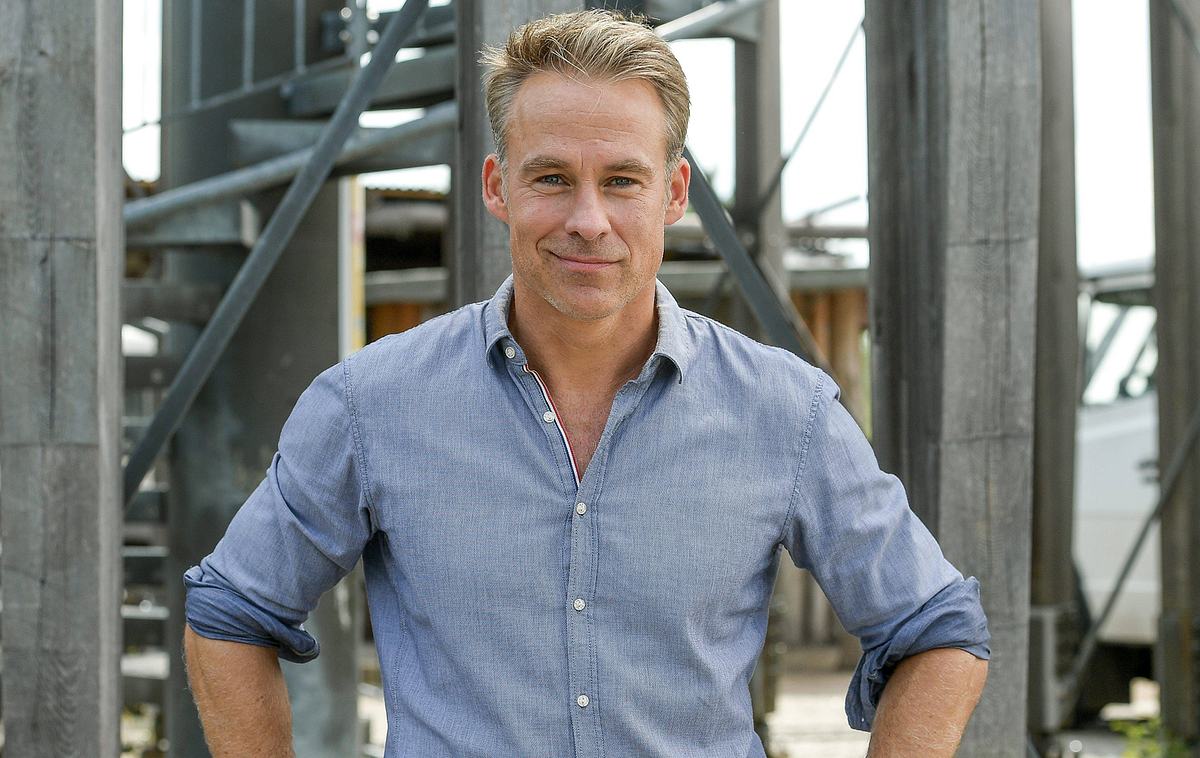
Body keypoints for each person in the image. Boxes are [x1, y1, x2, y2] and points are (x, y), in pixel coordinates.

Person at [183, 9, 990, 757]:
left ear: (674, 193)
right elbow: (229, 615)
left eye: (622, 181)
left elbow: (939, 632)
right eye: (552, 179)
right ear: (498, 186)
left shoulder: (785, 411)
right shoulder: (370, 404)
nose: (588, 220)